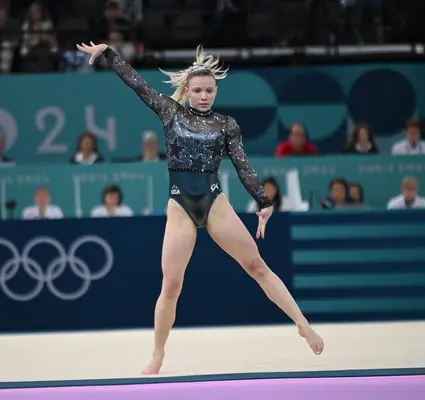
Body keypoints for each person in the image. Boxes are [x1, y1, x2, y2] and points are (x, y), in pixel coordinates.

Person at [76, 41, 324, 374]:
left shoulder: (227, 125)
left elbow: (243, 165)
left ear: (216, 91)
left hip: (214, 201)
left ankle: (302, 323)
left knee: (257, 266)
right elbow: (137, 83)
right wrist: (108, 54)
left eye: (209, 90)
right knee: (171, 285)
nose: (204, 95)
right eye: (198, 90)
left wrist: (264, 201)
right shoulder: (170, 111)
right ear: (187, 91)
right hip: (180, 205)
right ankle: (158, 353)